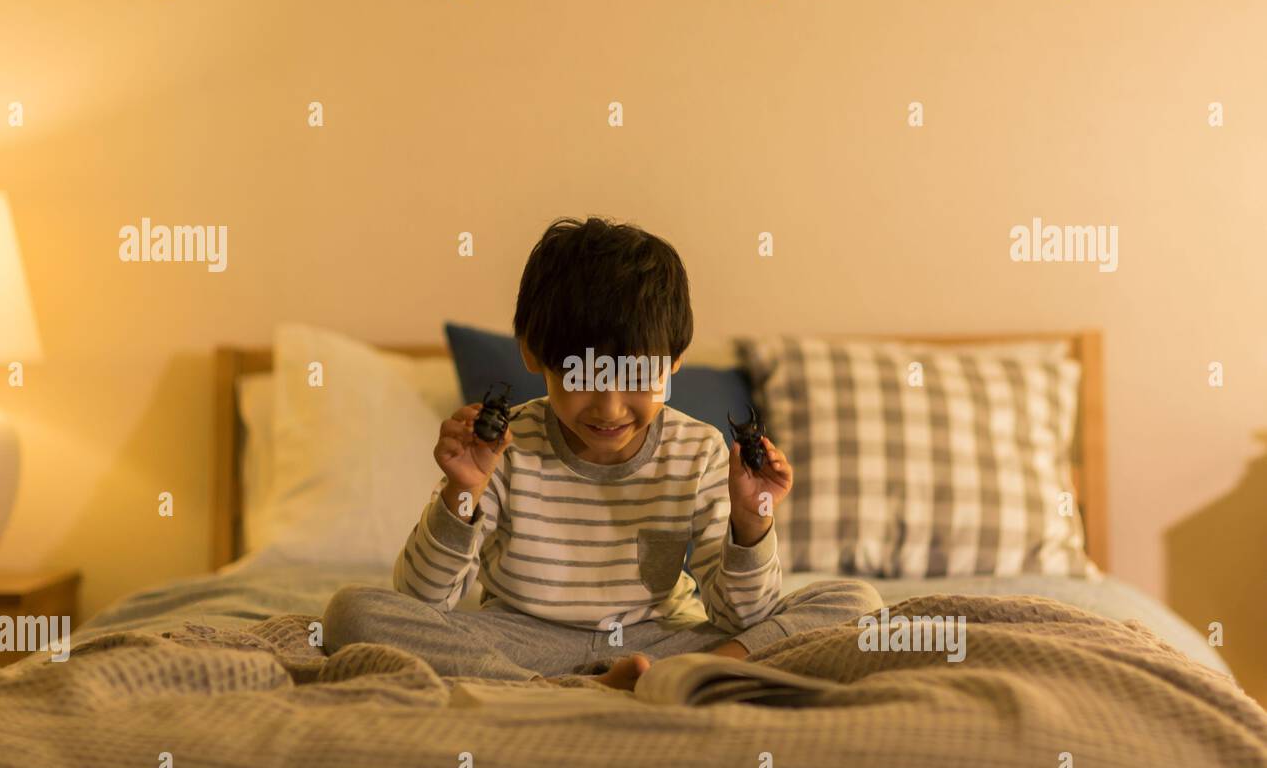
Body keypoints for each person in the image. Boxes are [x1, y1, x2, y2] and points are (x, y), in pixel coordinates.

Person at [323, 216, 882, 690]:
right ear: (533, 355)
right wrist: (461, 490)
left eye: (636, 376)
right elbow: (424, 603)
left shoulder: (701, 451)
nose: (610, 408)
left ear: (675, 362)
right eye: (582, 375)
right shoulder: (505, 448)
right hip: (524, 642)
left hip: (662, 640)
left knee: (855, 601)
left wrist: (751, 521)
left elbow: (744, 616)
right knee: (353, 610)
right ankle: (570, 691)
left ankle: (697, 674)